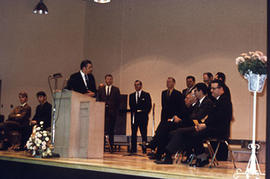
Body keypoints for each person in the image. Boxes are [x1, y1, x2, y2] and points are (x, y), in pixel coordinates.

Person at [155, 83, 214, 164]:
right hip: (193, 125)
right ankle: (165, 154)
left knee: (179, 131)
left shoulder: (207, 102)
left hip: (200, 127)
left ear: (200, 91)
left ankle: (167, 155)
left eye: (196, 91)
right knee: (170, 130)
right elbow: (192, 116)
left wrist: (183, 120)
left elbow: (197, 117)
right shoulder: (199, 103)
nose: (195, 93)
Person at [146, 77, 187, 160]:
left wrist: (173, 118)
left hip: (174, 120)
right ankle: (157, 152)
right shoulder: (164, 93)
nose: (167, 83)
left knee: (162, 133)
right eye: (167, 82)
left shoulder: (178, 93)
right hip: (165, 118)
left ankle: (153, 145)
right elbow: (164, 107)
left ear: (173, 83)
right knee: (161, 133)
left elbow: (179, 108)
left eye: (169, 82)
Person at [97, 74, 120, 151]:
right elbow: (98, 100)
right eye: (107, 79)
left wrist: (115, 112)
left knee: (111, 131)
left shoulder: (116, 90)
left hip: (112, 114)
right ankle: (102, 146)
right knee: (102, 130)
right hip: (102, 113)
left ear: (112, 80)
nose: (109, 80)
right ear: (105, 80)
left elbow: (118, 102)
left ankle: (111, 146)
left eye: (110, 79)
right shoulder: (101, 89)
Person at [129, 80, 152, 153]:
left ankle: (144, 148)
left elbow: (149, 106)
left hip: (143, 117)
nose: (136, 86)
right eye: (135, 85)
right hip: (134, 116)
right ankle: (133, 149)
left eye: (138, 85)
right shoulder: (131, 95)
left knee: (144, 133)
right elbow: (131, 106)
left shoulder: (146, 94)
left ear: (141, 85)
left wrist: (144, 113)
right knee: (133, 133)